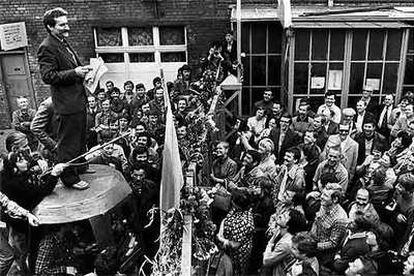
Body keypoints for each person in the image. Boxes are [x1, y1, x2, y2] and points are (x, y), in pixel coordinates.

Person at [38, 7, 91, 190]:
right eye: (62, 24)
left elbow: (70, 67)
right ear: (50, 27)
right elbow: (48, 76)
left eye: (66, 23)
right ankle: (69, 178)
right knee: (68, 143)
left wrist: (81, 71)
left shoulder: (63, 41)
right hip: (67, 104)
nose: (66, 26)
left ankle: (79, 167)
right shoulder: (47, 47)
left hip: (77, 100)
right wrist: (74, 72)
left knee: (80, 138)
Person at [216, 189, 255, 276]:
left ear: (236, 205)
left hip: (238, 254)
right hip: (238, 249)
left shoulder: (244, 222)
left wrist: (222, 240)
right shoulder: (242, 211)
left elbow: (235, 244)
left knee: (236, 271)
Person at [310, 183, 348, 266]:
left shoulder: (340, 219)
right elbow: (317, 221)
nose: (321, 197)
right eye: (322, 193)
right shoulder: (324, 205)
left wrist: (314, 246)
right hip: (314, 242)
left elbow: (333, 243)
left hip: (324, 255)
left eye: (326, 196)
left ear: (335, 200)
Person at [262, 209, 307, 276]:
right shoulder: (280, 230)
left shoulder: (286, 243)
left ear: (288, 226)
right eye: (283, 214)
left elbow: (266, 261)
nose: (280, 216)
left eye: (284, 217)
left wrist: (270, 243)